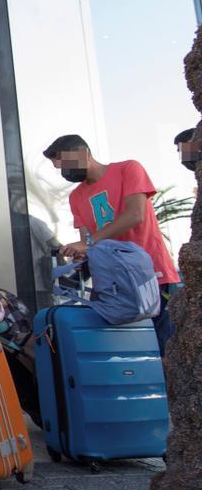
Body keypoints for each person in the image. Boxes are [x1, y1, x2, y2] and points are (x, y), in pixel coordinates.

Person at [43, 135, 182, 352]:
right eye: (59, 167)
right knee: (129, 355)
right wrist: (79, 253)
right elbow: (86, 242)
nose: (64, 171)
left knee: (165, 352)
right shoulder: (76, 197)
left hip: (152, 277)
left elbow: (136, 214)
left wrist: (89, 243)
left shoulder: (128, 169)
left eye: (65, 163)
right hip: (113, 288)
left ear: (84, 154)